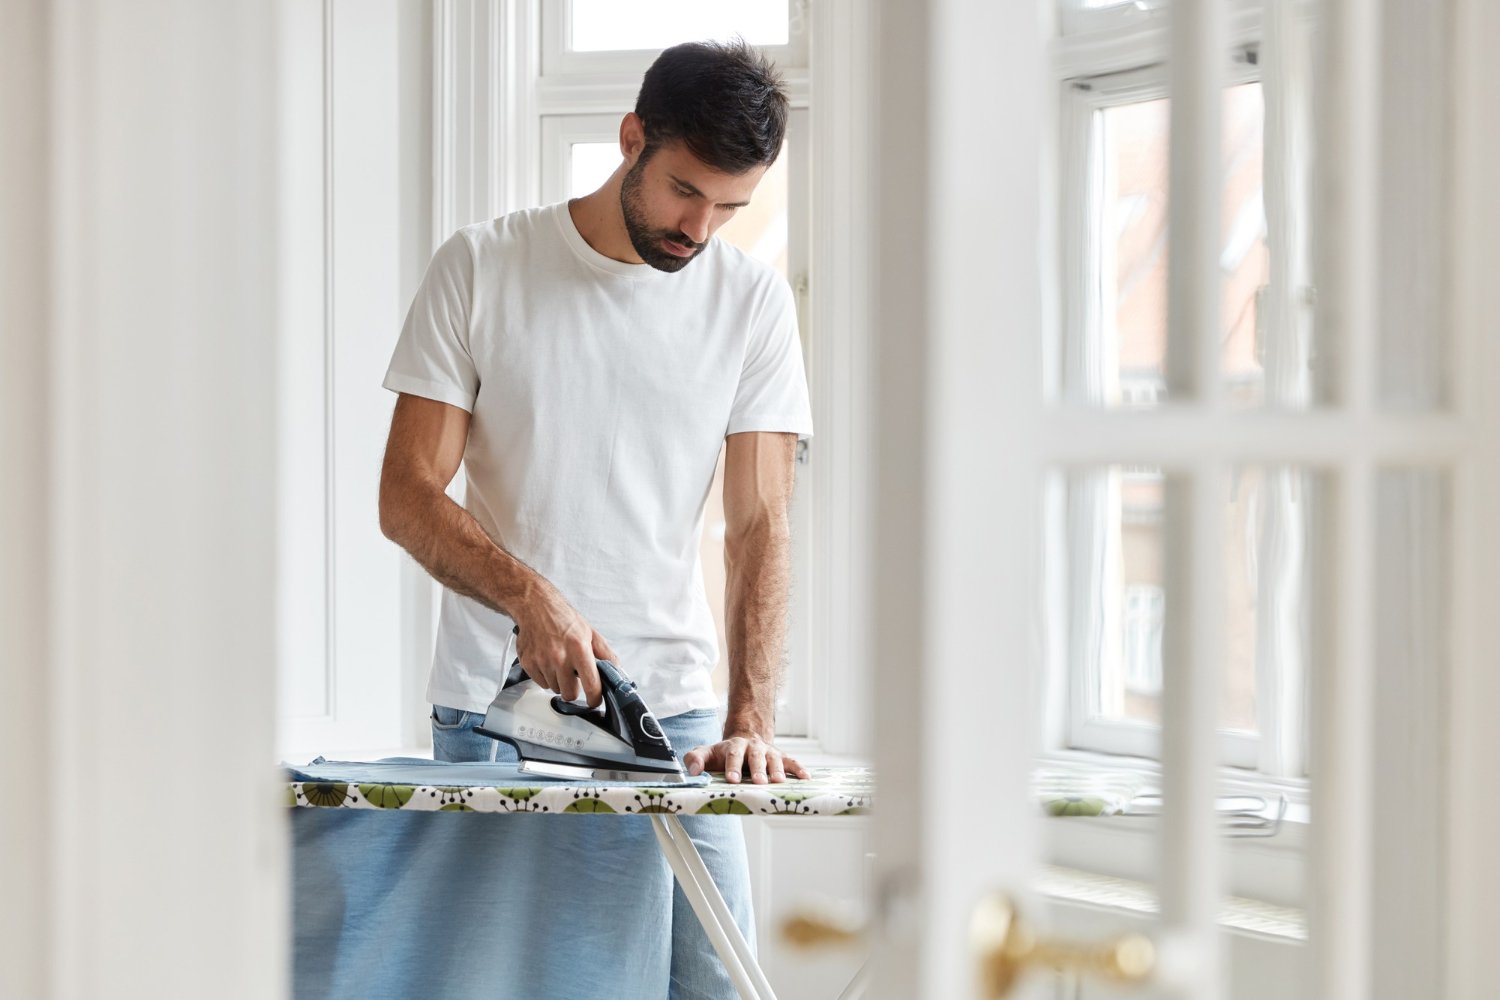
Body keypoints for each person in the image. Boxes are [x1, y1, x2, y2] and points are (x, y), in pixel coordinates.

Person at [377, 39, 812, 998]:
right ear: (632, 138)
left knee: (720, 985)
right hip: (497, 708)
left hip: (680, 716)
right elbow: (405, 497)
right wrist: (530, 596)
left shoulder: (750, 303)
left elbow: (760, 527)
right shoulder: (483, 267)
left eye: (730, 208)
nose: (700, 229)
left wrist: (751, 714)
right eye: (685, 191)